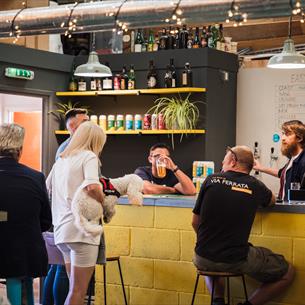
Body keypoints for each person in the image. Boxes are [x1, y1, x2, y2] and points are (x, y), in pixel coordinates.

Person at [192, 145, 294, 305]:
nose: (222, 162)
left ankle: (218, 301)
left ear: (233, 161)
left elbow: (194, 222)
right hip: (235, 259)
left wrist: (210, 243)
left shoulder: (210, 180)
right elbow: (271, 201)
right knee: (288, 271)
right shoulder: (255, 185)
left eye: (224, 160)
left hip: (201, 257)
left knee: (214, 260)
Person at [47, 121, 106, 305]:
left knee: (73, 289)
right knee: (78, 292)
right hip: (81, 232)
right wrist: (104, 202)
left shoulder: (61, 161)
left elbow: (47, 188)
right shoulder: (89, 157)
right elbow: (92, 185)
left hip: (62, 232)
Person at [0, 123, 52, 305]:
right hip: (26, 254)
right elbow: (46, 221)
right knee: (21, 277)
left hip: (9, 253)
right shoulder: (36, 177)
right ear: (20, 150)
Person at [43, 108, 89, 305]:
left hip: (62, 216)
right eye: (85, 122)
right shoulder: (69, 149)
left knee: (57, 266)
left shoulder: (72, 147)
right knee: (62, 268)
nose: (89, 125)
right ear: (72, 126)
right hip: (67, 215)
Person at [254, 120, 305, 201]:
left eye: (288, 134)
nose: (283, 138)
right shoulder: (293, 158)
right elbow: (282, 173)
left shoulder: (303, 162)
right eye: (283, 134)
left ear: (299, 138)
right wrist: (260, 168)